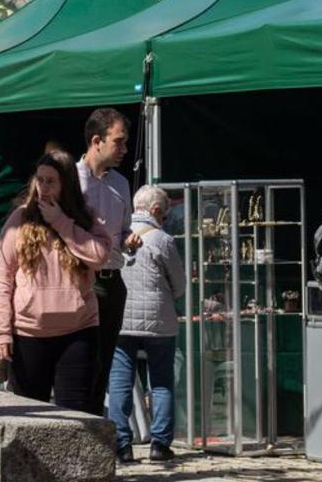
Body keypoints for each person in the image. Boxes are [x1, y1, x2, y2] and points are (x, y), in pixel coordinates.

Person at [0, 149, 112, 413]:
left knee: (77, 416)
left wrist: (61, 222)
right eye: (40, 180)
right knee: (31, 415)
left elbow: (100, 256)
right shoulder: (20, 218)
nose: (43, 188)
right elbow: (1, 277)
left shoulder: (85, 216)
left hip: (78, 329)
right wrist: (0, 332)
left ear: (66, 184)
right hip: (29, 331)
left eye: (51, 181)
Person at [107, 185, 185, 464]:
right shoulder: (162, 240)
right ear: (155, 211)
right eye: (164, 214)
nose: (164, 219)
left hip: (121, 318)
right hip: (159, 321)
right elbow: (180, 285)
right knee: (162, 381)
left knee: (119, 381)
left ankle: (122, 444)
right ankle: (160, 445)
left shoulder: (118, 235)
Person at [77, 108, 139, 415]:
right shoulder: (72, 180)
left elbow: (125, 229)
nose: (125, 150)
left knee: (104, 362)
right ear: (97, 141)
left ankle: (95, 426)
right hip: (82, 280)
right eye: (119, 142)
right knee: (84, 360)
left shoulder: (121, 184)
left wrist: (130, 239)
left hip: (114, 280)